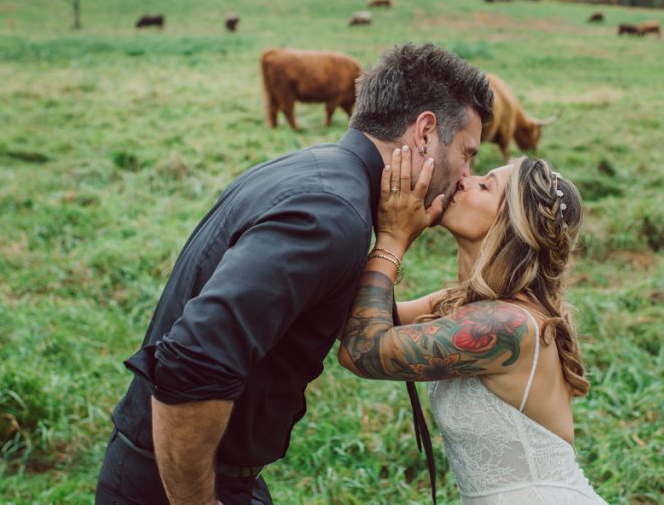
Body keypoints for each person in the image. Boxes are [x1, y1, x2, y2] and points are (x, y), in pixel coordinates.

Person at [95, 42, 493, 505]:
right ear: (425, 132)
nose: (467, 174)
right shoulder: (329, 214)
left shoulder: (315, 170)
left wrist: (451, 287)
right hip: (179, 481)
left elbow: (332, 314)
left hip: (197, 468)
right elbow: (191, 365)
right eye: (467, 153)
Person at [339, 153, 606, 504]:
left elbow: (363, 350)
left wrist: (392, 239)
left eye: (485, 185)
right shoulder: (465, 304)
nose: (465, 179)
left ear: (511, 225)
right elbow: (359, 319)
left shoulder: (507, 324)